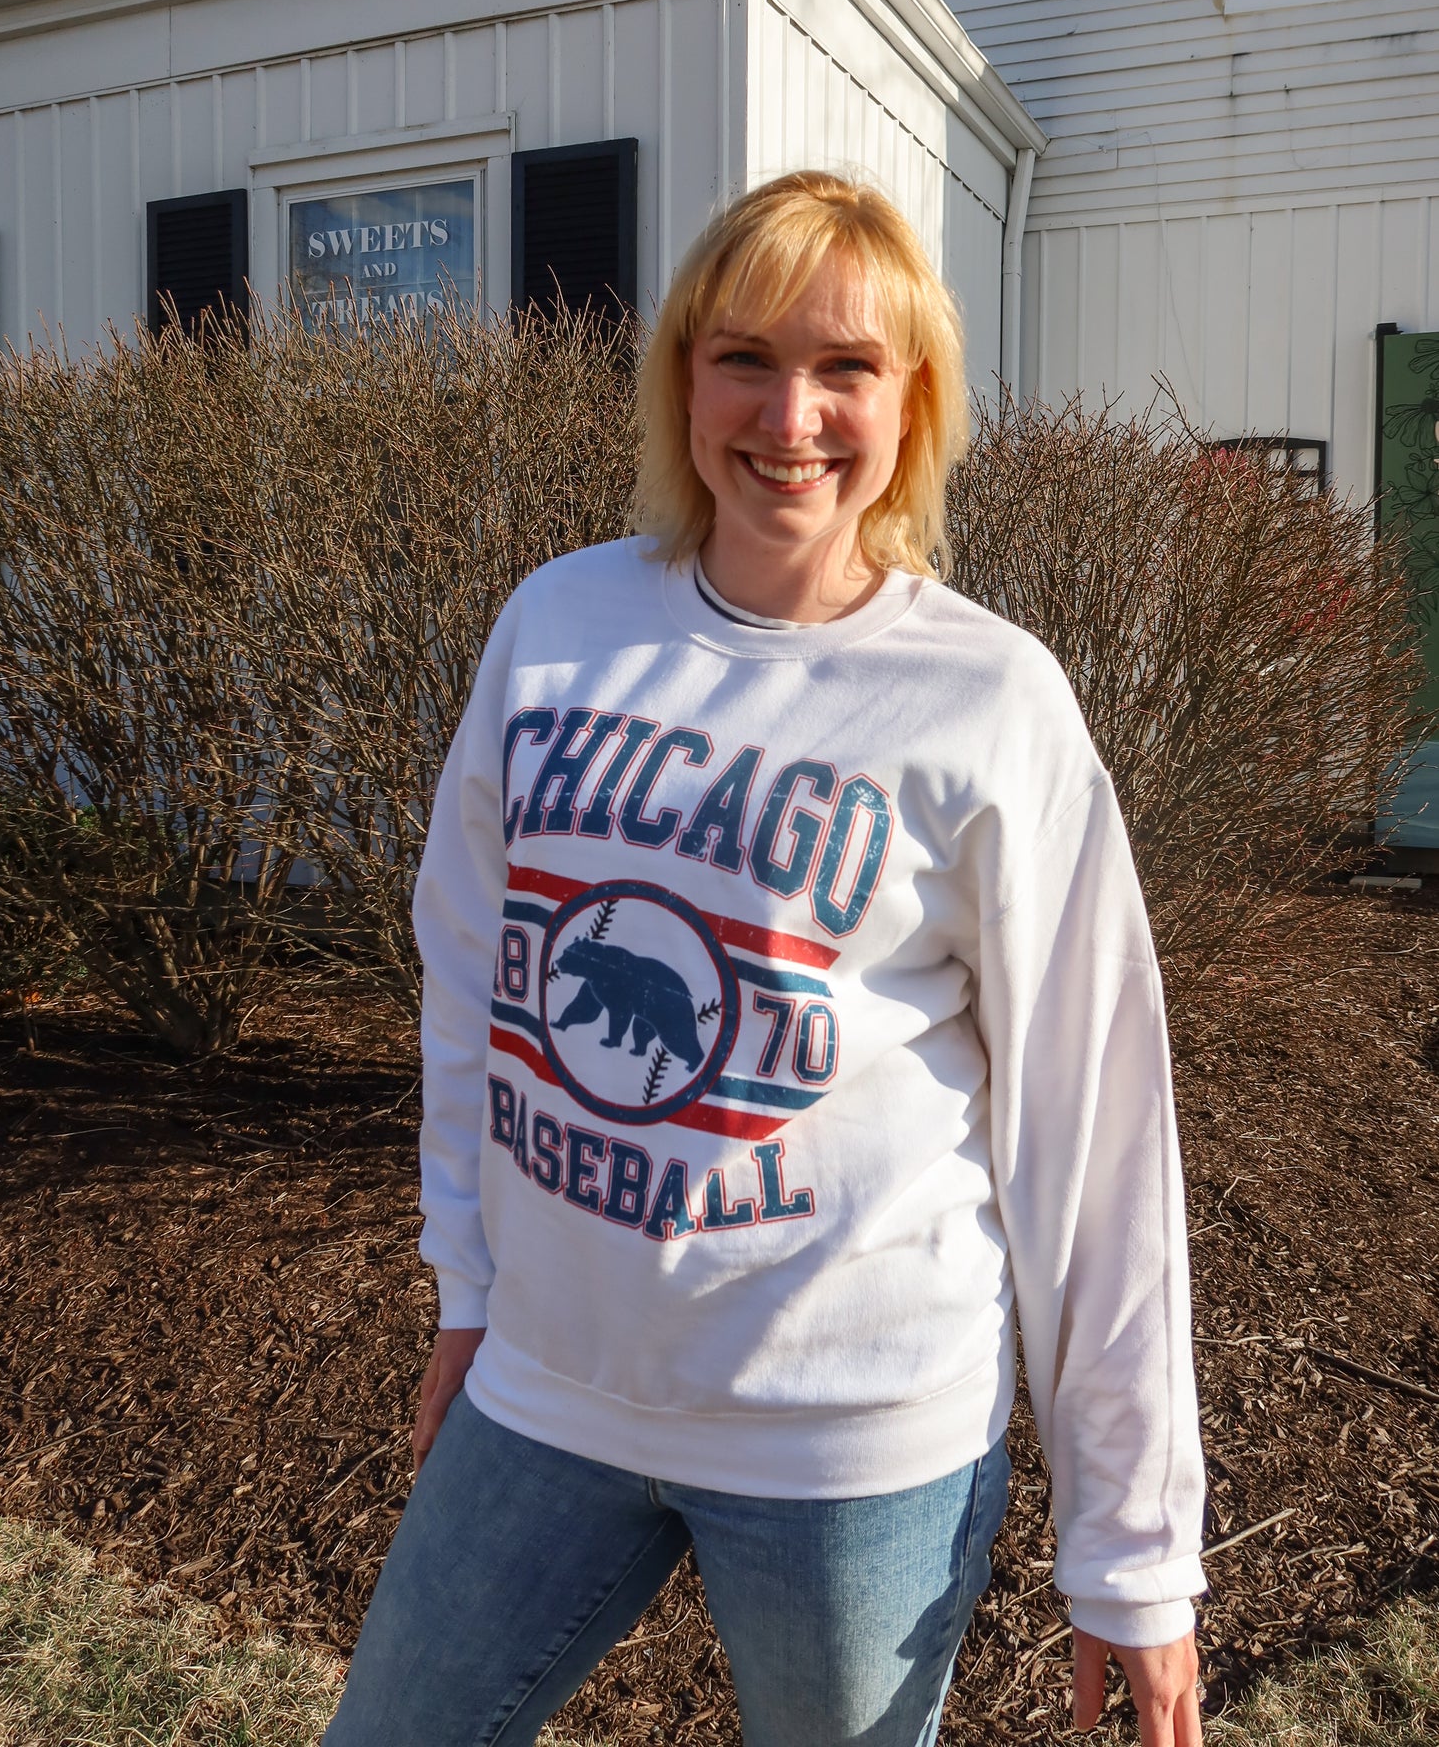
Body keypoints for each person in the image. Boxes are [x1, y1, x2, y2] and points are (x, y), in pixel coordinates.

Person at [323, 171, 1206, 1747]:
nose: (788, 414)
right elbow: (474, 976)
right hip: (546, 1389)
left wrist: (1134, 1555)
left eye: (845, 367)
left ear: (910, 398)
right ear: (681, 375)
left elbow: (1095, 1136)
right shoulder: (559, 624)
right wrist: (464, 1277)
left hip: (848, 1444)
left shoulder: (988, 699)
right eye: (743, 356)